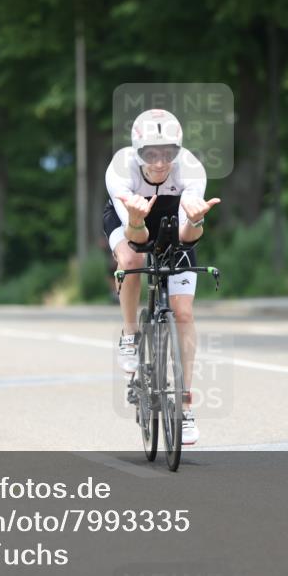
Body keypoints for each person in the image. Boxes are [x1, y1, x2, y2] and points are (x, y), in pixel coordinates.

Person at [103, 109, 221, 445]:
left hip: (176, 223)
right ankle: (130, 335)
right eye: (151, 154)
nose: (159, 162)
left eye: (167, 153)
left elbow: (188, 237)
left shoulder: (191, 169)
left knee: (183, 313)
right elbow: (136, 238)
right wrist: (137, 220)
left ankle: (184, 406)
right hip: (131, 221)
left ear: (178, 151)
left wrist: (196, 221)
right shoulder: (120, 169)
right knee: (131, 257)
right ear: (137, 152)